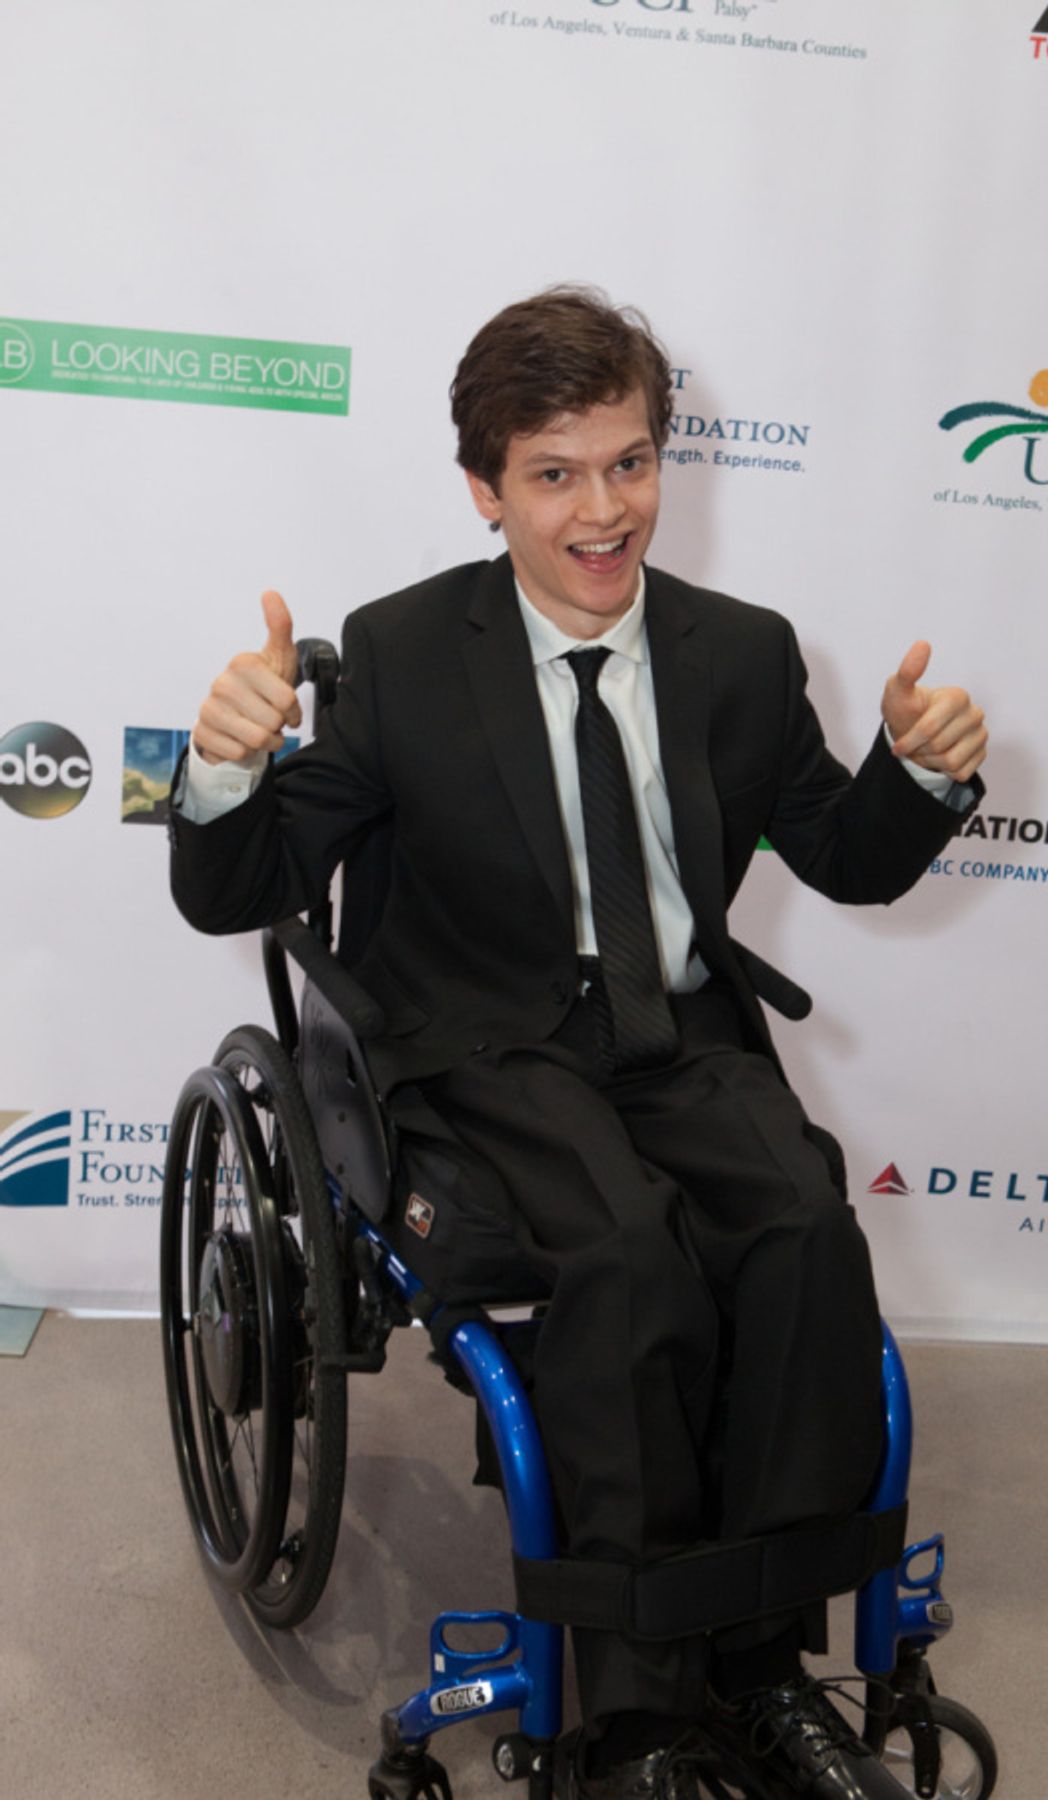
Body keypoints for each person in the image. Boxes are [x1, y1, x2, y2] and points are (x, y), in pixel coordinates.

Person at [171, 287, 987, 1800]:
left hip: (678, 1041)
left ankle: (758, 1664)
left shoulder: (741, 655)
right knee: (624, 1254)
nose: (603, 512)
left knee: (806, 1236)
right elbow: (250, 887)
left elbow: (849, 857)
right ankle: (629, 1706)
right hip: (482, 1048)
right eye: (556, 474)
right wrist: (223, 775)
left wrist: (919, 779)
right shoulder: (409, 653)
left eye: (629, 463)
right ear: (488, 490)